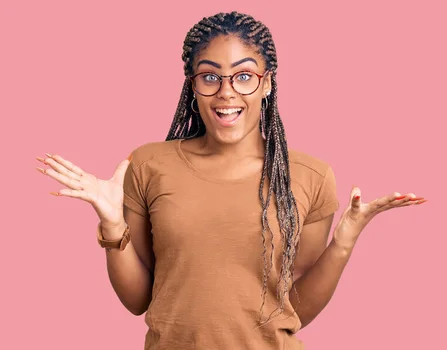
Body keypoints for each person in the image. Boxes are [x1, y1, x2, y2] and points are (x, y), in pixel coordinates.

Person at [36, 11, 426, 350]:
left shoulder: (310, 176)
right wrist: (111, 224)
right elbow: (138, 299)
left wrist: (343, 243)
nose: (226, 93)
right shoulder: (149, 164)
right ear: (192, 85)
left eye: (243, 76)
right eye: (210, 77)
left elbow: (295, 310)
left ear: (267, 83)